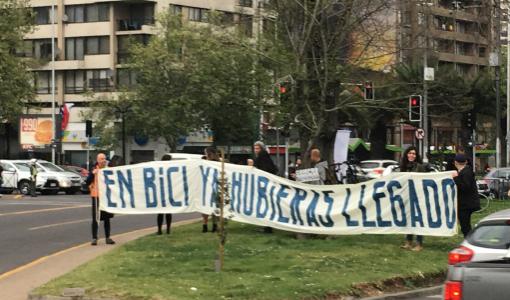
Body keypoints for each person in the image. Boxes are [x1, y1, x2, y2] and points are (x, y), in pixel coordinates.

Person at [400, 146, 425, 251]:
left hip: (418, 196)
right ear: (406, 154)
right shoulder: (403, 166)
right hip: (407, 196)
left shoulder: (420, 167)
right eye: (410, 153)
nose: (412, 155)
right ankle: (408, 242)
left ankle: (419, 243)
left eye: (414, 154)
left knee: (418, 220)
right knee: (409, 219)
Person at [87, 153, 115, 246]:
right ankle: (94, 238)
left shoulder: (108, 169)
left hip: (106, 196)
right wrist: (92, 174)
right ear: (98, 160)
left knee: (107, 218)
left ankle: (108, 237)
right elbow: (87, 181)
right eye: (102, 159)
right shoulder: (94, 169)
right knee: (96, 218)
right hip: (96, 196)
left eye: (105, 159)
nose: (104, 160)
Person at [253, 141, 278, 233]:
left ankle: (267, 227)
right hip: (265, 184)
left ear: (262, 148)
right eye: (255, 148)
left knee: (264, 206)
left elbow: (263, 169)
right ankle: (266, 226)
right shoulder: (263, 156)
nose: (256, 150)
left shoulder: (262, 156)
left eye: (257, 148)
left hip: (264, 184)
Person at [453, 154, 480, 237]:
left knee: (465, 226)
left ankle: (470, 242)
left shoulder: (466, 172)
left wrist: (455, 178)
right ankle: (469, 240)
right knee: (465, 225)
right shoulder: (467, 171)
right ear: (466, 162)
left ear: (455, 163)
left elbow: (465, 187)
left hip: (466, 204)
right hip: (467, 204)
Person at [202, 147, 219, 233]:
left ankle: (211, 225)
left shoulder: (215, 163)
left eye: (205, 152)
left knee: (212, 207)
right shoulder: (204, 161)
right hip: (207, 187)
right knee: (206, 207)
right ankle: (209, 225)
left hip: (213, 187)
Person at [157, 154, 173, 235]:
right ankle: (168, 229)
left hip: (161, 192)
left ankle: (160, 230)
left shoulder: (159, 168)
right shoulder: (170, 169)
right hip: (168, 192)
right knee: (168, 212)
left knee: (160, 212)